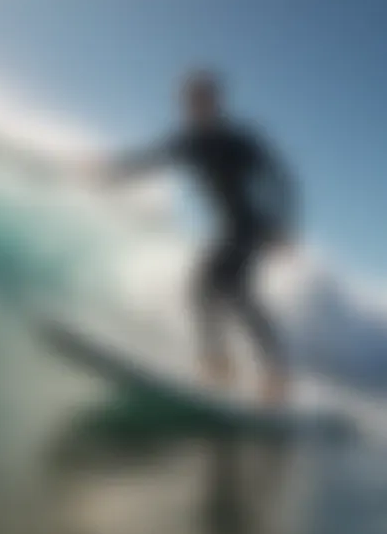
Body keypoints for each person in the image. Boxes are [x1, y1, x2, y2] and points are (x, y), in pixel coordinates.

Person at [92, 70, 297, 406]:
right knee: (214, 293)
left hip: (251, 226)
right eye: (190, 102)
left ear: (215, 103)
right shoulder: (187, 143)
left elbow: (278, 178)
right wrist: (112, 172)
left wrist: (282, 226)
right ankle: (224, 367)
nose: (195, 107)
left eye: (202, 100)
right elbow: (148, 159)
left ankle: (268, 373)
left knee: (223, 290)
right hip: (229, 228)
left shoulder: (238, 141)